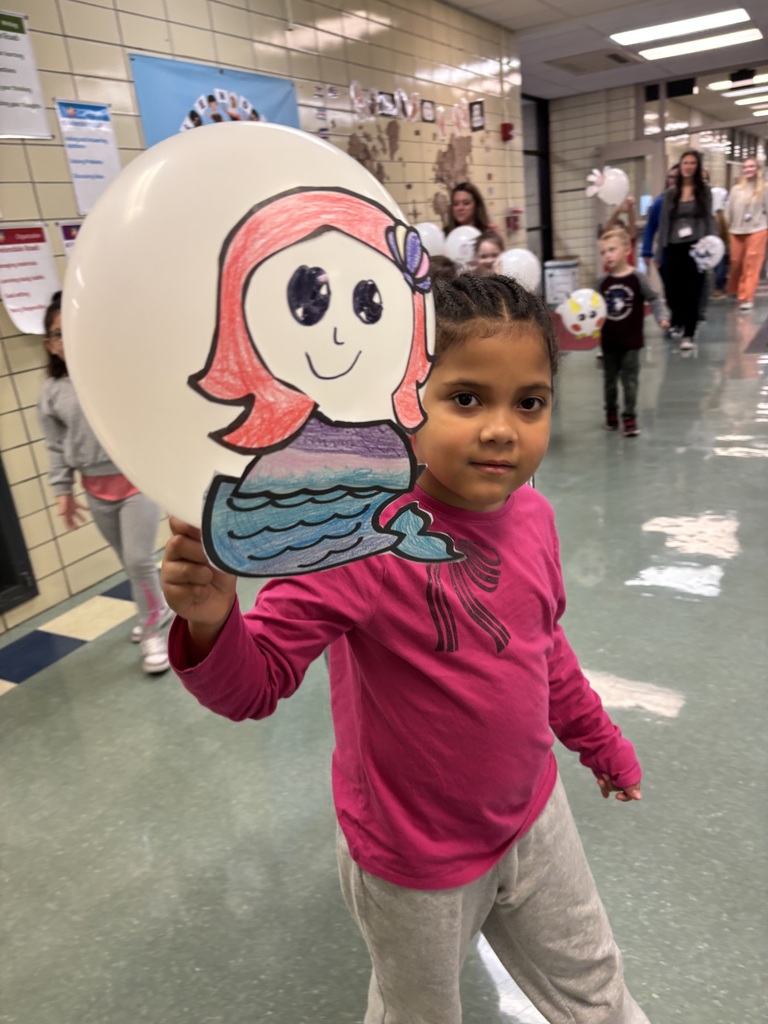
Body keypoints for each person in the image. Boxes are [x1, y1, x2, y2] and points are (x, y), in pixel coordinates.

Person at [162, 274, 651, 1024]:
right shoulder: (355, 540)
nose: (501, 428)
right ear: (403, 398)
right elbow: (252, 687)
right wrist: (211, 619)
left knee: (598, 990)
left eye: (529, 402)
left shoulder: (533, 516)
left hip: (533, 812)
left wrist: (602, 744)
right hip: (415, 862)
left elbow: (544, 648)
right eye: (466, 398)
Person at [37, 293, 172, 675]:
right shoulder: (51, 393)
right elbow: (54, 446)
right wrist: (63, 490)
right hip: (95, 489)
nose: (64, 340)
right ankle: (157, 608)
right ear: (50, 344)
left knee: (137, 560)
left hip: (134, 484)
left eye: (70, 330)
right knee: (130, 565)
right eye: (56, 334)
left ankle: (152, 633)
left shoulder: (115, 374)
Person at [597, 227, 669, 437]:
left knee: (630, 381)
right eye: (603, 252)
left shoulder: (637, 278)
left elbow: (654, 298)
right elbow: (593, 308)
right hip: (609, 341)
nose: (607, 255)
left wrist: (661, 317)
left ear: (627, 249)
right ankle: (611, 411)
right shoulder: (602, 282)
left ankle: (629, 416)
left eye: (611, 250)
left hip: (631, 341)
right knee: (609, 382)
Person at [655, 149, 715, 351]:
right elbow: (663, 224)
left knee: (693, 290)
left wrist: (712, 246)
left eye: (692, 163)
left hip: (697, 246)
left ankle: (688, 333)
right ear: (680, 167)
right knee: (672, 289)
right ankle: (678, 320)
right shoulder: (671, 194)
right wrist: (659, 252)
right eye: (685, 163)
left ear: (697, 167)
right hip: (673, 246)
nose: (688, 166)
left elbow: (708, 219)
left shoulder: (704, 191)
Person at [726, 157, 768, 311]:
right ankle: (734, 290)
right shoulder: (736, 189)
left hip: (758, 229)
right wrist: (727, 229)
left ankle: (747, 297)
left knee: (752, 264)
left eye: (751, 167)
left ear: (757, 169)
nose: (748, 169)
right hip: (736, 230)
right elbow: (728, 211)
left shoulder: (764, 188)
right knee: (736, 262)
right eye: (745, 167)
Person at [604, 196, 637, 266]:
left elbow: (632, 225)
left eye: (619, 231)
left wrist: (630, 208)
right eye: (614, 232)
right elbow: (607, 228)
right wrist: (618, 210)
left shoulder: (628, 243)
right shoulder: (608, 244)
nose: (617, 234)